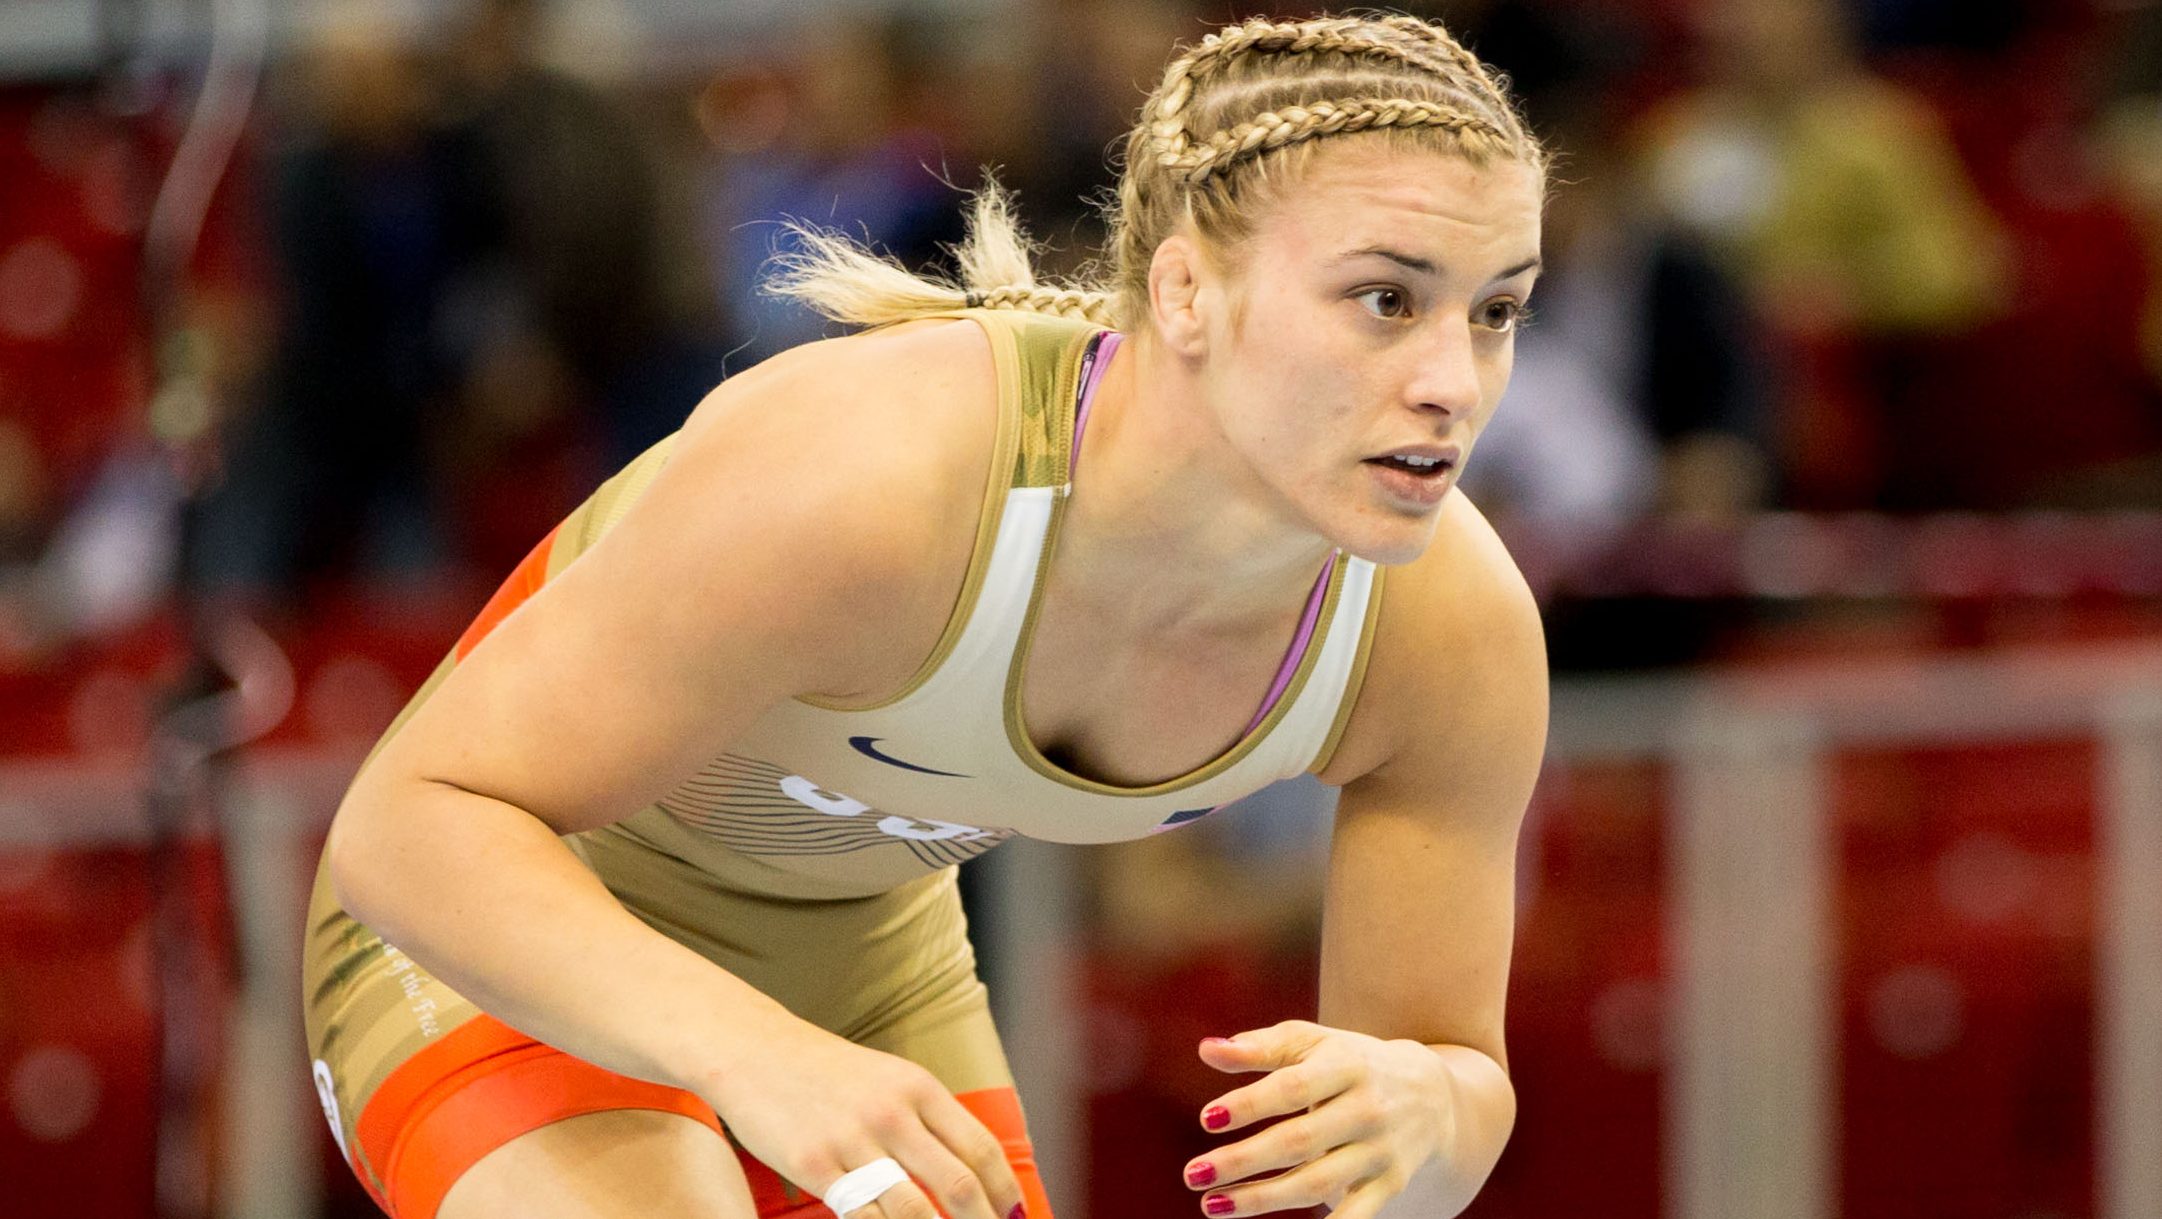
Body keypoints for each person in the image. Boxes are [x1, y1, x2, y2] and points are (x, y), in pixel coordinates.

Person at [304, 13, 1550, 1219]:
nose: (1453, 382)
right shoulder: (875, 480)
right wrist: (752, 1055)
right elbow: (408, 828)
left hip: (864, 983)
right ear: (1183, 295)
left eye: (1496, 309)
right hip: (500, 938)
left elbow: (1451, 1092)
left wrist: (1431, 1111)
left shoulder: (1449, 628)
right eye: (1385, 301)